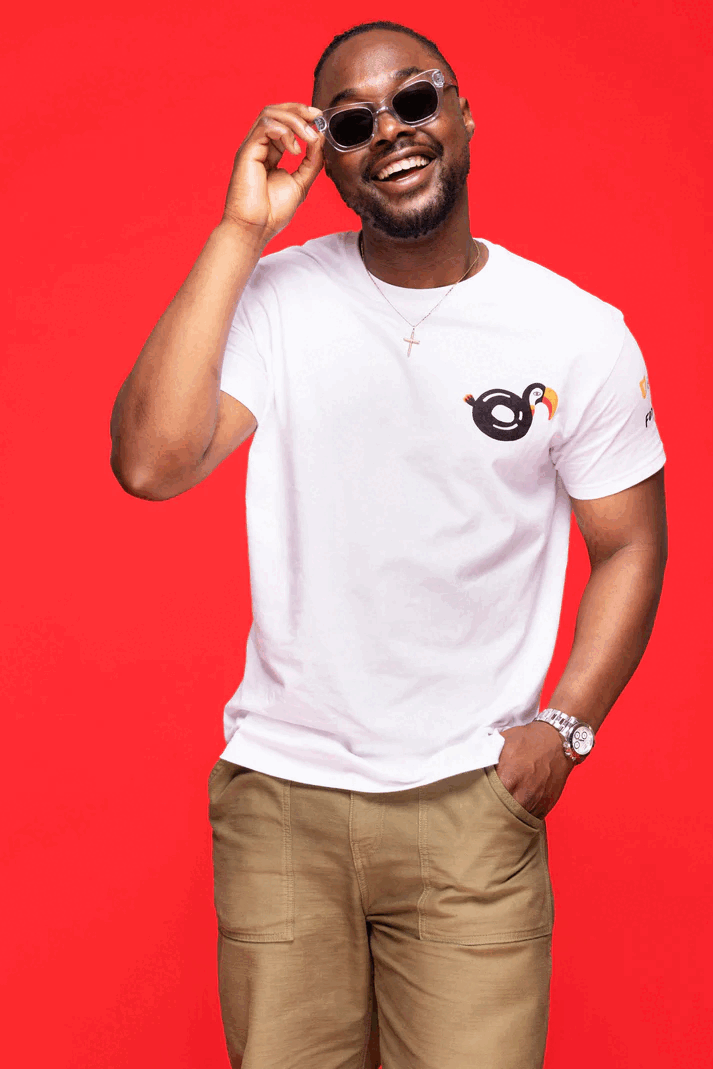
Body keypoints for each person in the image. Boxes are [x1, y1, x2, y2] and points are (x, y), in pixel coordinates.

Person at [109, 20, 668, 1069]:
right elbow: (149, 463)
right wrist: (240, 230)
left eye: (413, 102)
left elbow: (631, 544)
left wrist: (565, 727)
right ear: (329, 157)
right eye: (355, 122)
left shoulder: (574, 331)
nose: (391, 134)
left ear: (460, 113)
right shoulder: (276, 301)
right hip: (282, 802)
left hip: (471, 806)